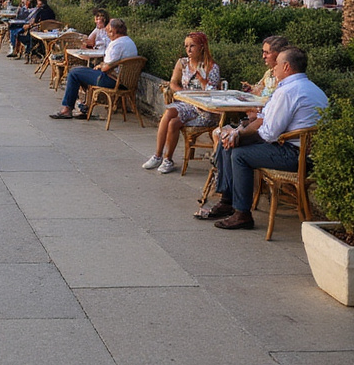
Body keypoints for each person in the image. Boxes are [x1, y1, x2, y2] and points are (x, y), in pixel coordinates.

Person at [202, 46, 328, 229]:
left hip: (295, 156)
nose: (273, 68)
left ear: (286, 67)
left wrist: (240, 136)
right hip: (301, 151)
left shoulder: (288, 91)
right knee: (228, 141)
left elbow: (269, 133)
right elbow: (265, 118)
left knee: (238, 154)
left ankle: (241, 213)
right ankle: (227, 201)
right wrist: (238, 134)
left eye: (276, 64)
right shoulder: (311, 88)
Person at [143, 32, 221, 173]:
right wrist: (182, 92)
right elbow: (173, 82)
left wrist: (203, 81)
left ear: (202, 47)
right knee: (168, 113)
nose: (189, 50)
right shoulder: (183, 63)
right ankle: (158, 155)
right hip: (187, 102)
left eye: (192, 46)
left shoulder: (211, 67)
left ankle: (168, 159)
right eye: (186, 46)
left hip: (203, 108)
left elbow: (212, 93)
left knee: (173, 123)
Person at [50, 18, 137, 119]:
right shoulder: (129, 41)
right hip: (126, 82)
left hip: (112, 80)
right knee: (83, 72)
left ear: (112, 31)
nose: (107, 33)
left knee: (74, 73)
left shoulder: (116, 45)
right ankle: (86, 106)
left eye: (108, 30)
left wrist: (101, 65)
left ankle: (67, 109)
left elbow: (106, 67)